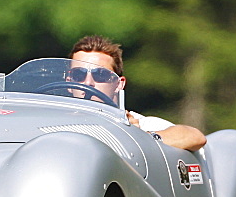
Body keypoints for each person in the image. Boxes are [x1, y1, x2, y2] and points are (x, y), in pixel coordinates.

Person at [69, 35, 207, 152]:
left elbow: (195, 137)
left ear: (119, 84)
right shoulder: (51, 118)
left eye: (100, 75)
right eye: (78, 74)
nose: (88, 83)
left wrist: (139, 137)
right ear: (68, 81)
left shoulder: (133, 123)